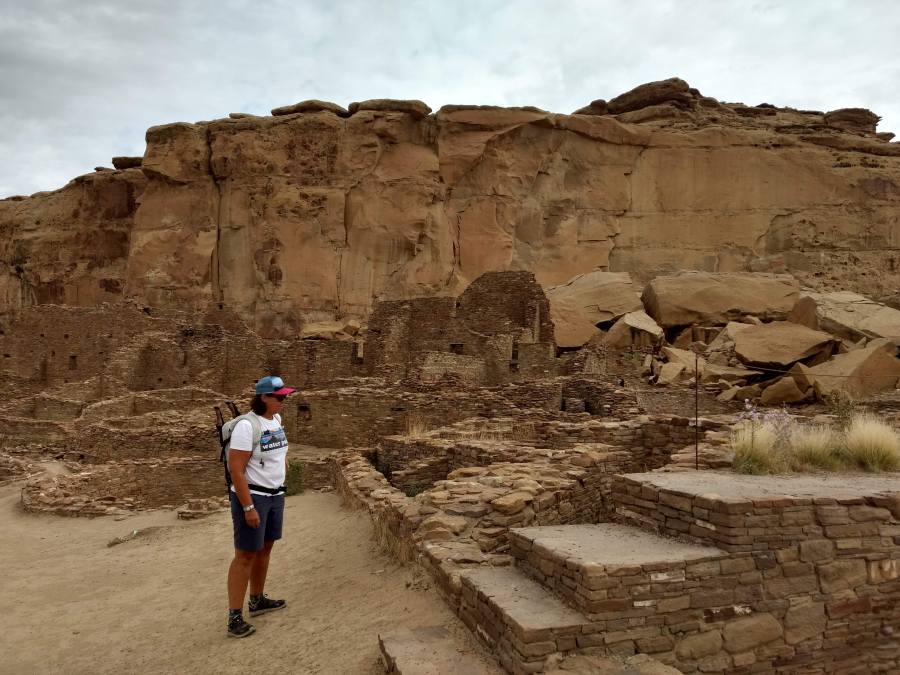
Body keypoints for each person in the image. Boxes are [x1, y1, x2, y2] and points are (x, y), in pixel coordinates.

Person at [225, 375, 295, 638]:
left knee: (265, 549)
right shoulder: (247, 426)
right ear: (263, 397)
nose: (283, 401)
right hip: (254, 497)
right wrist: (248, 507)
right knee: (245, 556)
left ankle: (257, 600)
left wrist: (282, 463)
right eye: (279, 397)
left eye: (285, 396)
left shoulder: (275, 420)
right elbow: (236, 469)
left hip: (275, 495)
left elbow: (278, 449)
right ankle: (234, 617)